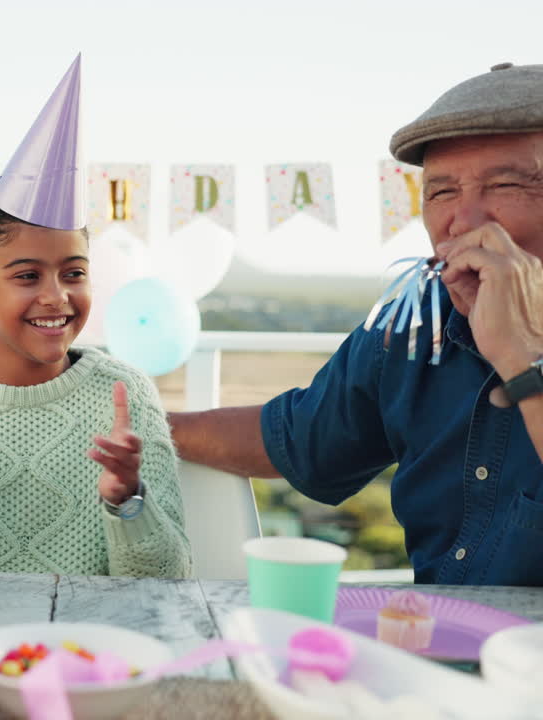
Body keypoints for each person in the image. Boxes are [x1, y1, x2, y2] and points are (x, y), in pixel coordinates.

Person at [171, 62, 543, 586]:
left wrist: (523, 359)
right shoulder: (413, 322)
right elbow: (305, 438)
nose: (462, 221)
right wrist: (145, 426)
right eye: (440, 193)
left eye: (504, 184)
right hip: (433, 647)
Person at [0, 57, 192, 578]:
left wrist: (128, 501)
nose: (56, 297)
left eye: (73, 273)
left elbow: (170, 581)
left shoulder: (126, 395)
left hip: (90, 647)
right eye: (28, 276)